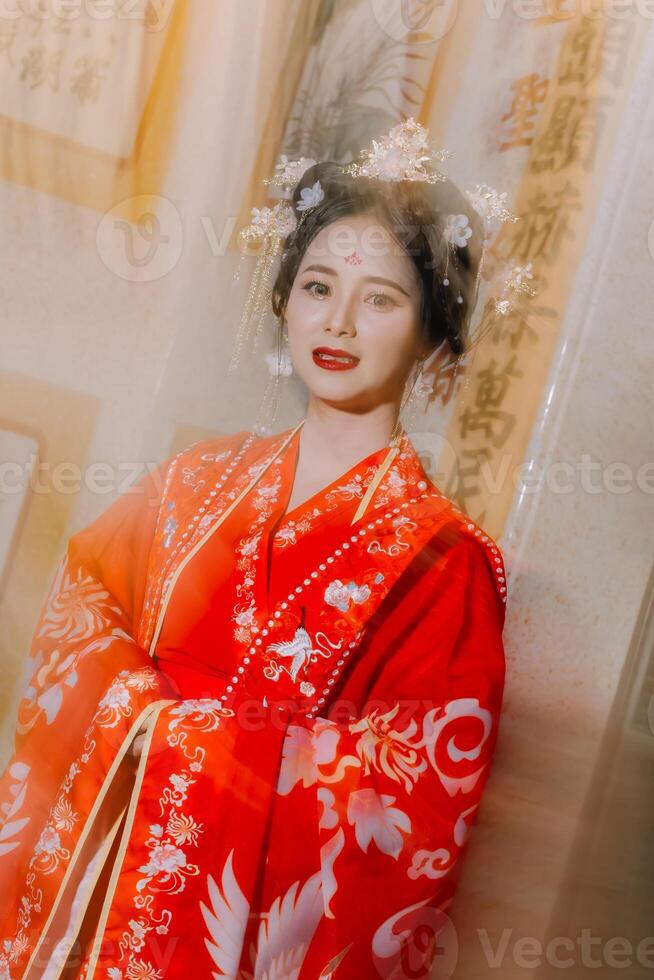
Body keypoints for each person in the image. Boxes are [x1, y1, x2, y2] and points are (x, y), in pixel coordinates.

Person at [0, 120, 509, 979]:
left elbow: (418, 798)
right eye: (317, 286)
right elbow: (85, 612)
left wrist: (195, 747)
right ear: (283, 300)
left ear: (430, 333)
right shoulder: (194, 480)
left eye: (381, 299)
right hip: (99, 912)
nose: (338, 320)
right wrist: (145, 717)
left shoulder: (441, 559)